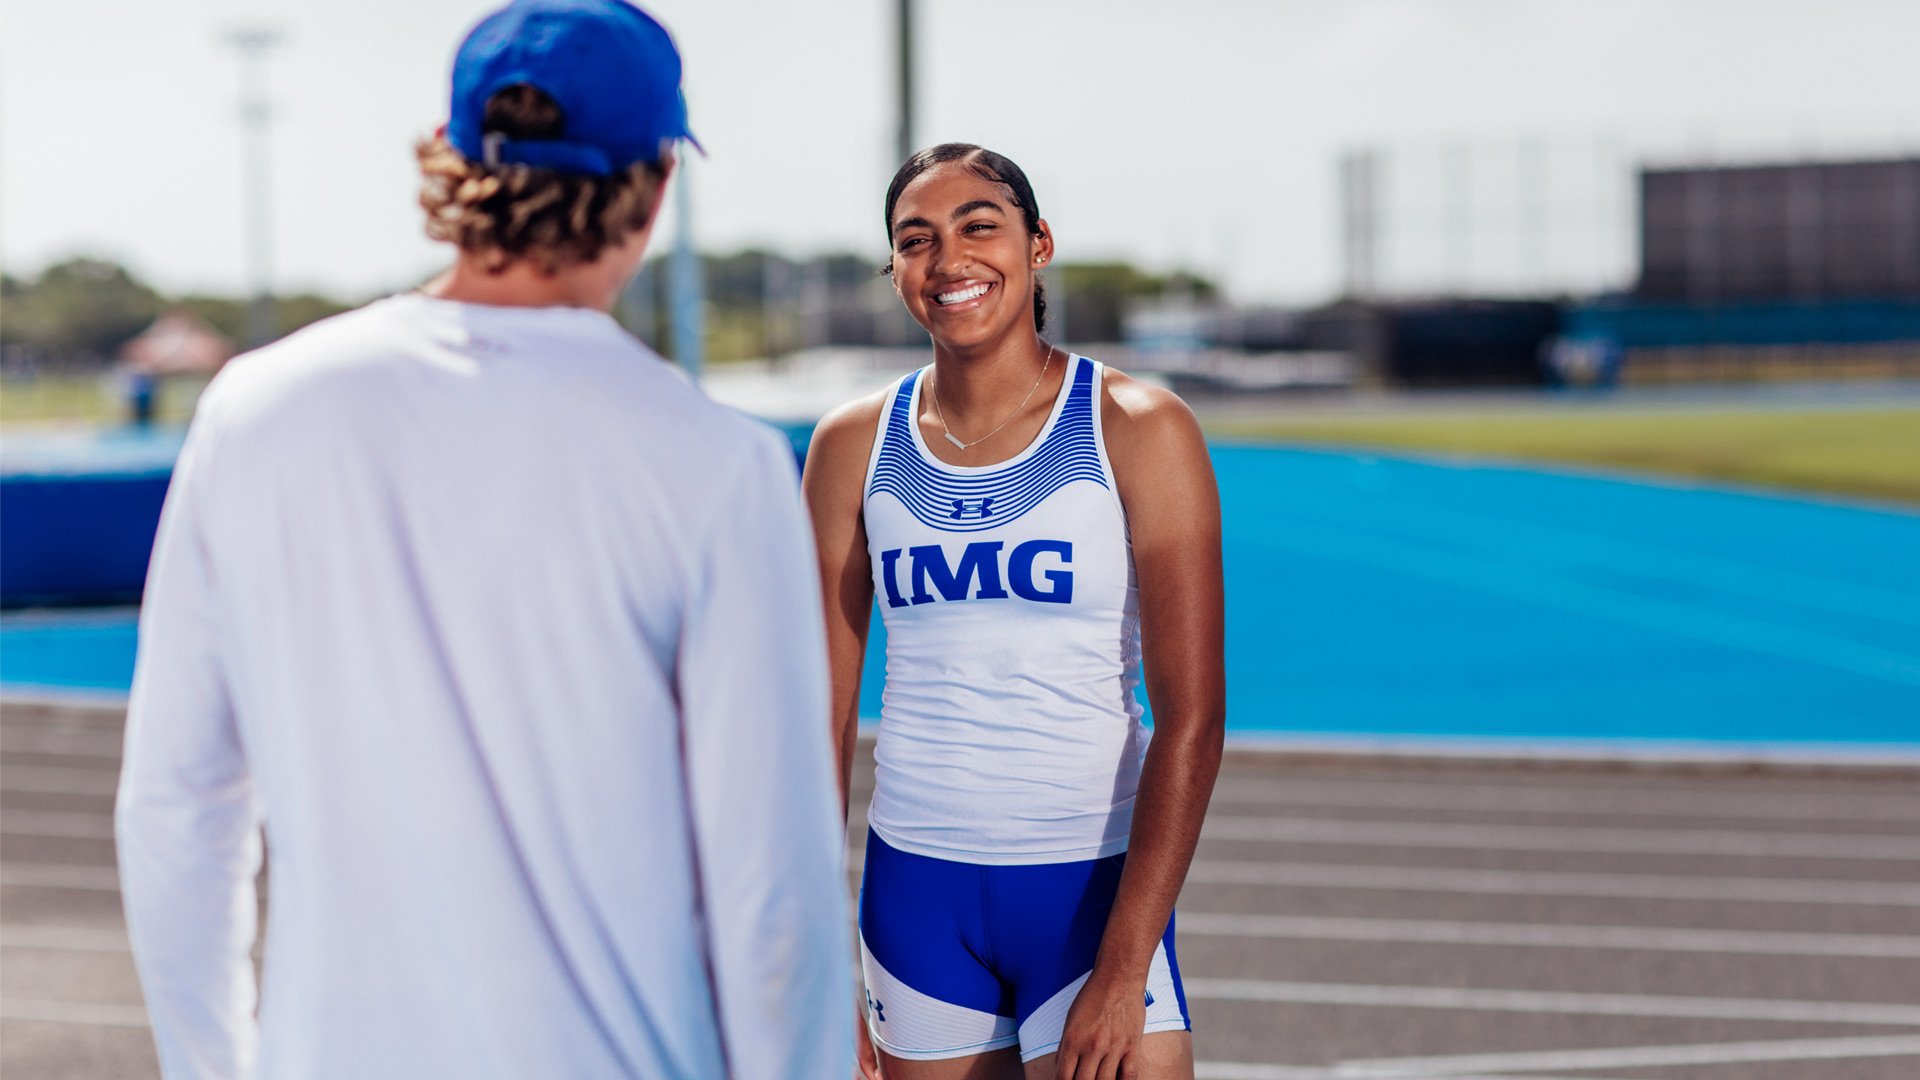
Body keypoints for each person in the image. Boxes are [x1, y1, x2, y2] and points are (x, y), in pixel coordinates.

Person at [114, 2, 853, 1077]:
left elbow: (177, 810)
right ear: (652, 189)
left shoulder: (254, 412)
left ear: (451, 162)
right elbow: (774, 900)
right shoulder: (717, 467)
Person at [803, 144, 1226, 1080]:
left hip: (1088, 896)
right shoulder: (849, 446)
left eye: (978, 227)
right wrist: (811, 953)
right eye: (916, 241)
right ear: (897, 272)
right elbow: (819, 717)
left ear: (1038, 245)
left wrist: (1123, 969)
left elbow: (1192, 717)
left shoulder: (1139, 427)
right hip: (915, 904)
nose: (949, 260)